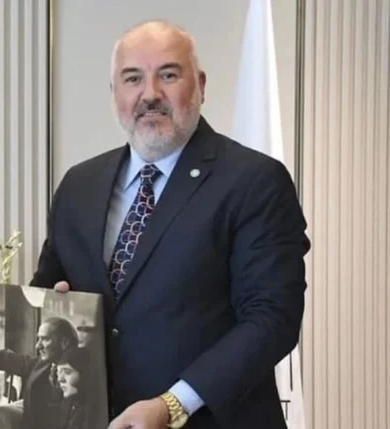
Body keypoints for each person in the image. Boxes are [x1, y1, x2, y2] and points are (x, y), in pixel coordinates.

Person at [31, 20, 309, 429]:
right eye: (132, 78)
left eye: (168, 75)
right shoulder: (79, 185)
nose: (150, 94)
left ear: (200, 86)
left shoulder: (254, 181)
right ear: (114, 93)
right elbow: (46, 288)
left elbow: (272, 319)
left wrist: (173, 404)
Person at [0, 317, 78, 429]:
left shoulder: (83, 377)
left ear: (64, 342)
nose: (37, 346)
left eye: (45, 339)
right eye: (38, 339)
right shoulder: (40, 364)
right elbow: (4, 357)